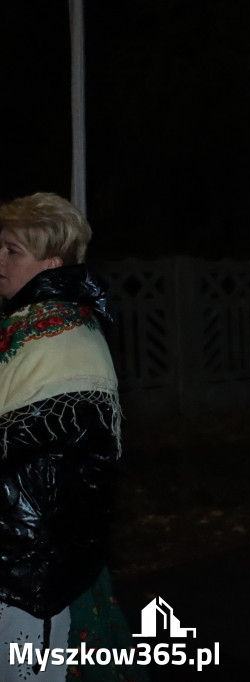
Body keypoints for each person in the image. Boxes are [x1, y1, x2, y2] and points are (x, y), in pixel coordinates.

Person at [0, 193, 124, 681]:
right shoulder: (26, 326)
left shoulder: (62, 336)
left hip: (28, 564)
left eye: (12, 251)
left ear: (51, 262)